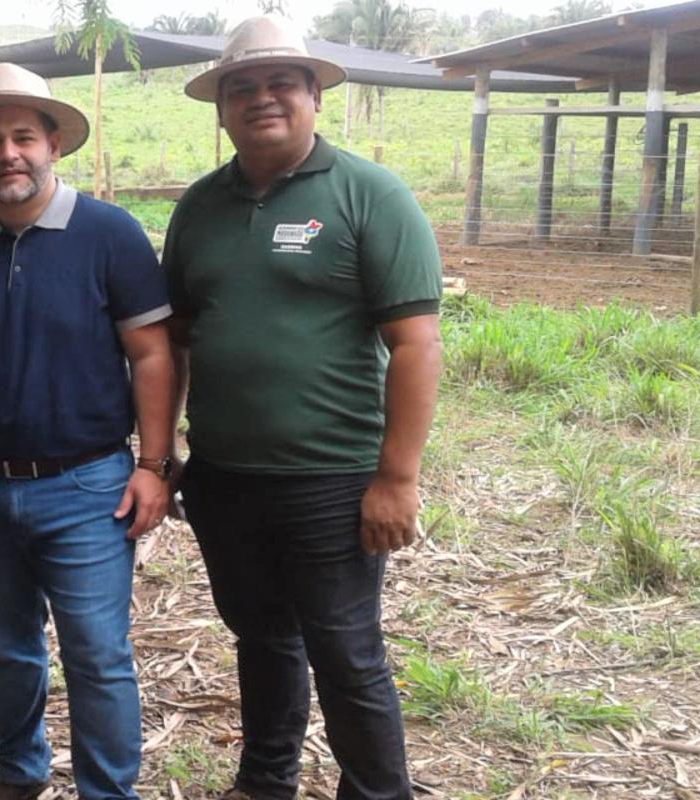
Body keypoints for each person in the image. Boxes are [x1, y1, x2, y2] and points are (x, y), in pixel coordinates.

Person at [164, 16, 444, 800]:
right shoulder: (200, 208)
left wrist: (397, 477)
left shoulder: (370, 195)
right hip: (223, 477)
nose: (262, 99)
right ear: (220, 107)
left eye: (282, 82)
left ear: (314, 94)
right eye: (242, 87)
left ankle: (378, 791)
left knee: (347, 651)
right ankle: (265, 782)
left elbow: (417, 346)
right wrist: (167, 453)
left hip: (332, 478)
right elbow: (176, 339)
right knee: (262, 638)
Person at [0, 62, 176, 800]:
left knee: (96, 655)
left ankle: (106, 791)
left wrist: (154, 463)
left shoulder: (109, 234)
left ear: (54, 142)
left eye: (24, 136)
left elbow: (150, 352)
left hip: (90, 485)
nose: (9, 153)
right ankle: (18, 773)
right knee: (7, 650)